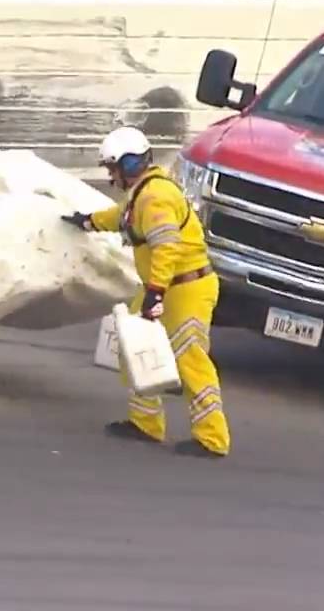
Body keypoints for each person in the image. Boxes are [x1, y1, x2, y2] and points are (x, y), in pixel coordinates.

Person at [61, 126, 231, 458]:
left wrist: (155, 294)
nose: (111, 177)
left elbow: (166, 246)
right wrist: (89, 221)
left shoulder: (154, 198)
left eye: (112, 169)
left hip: (185, 290)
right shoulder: (144, 192)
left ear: (126, 166)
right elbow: (123, 218)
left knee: (191, 361)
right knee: (133, 349)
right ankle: (146, 423)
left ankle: (213, 438)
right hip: (168, 285)